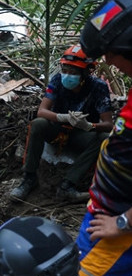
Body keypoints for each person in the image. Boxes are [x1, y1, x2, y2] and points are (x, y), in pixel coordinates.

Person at [76, 0, 132, 276]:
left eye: (112, 52)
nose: (109, 61)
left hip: (118, 225)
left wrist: (122, 223)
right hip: (106, 210)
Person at [10, 44, 113, 202]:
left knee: (104, 138)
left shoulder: (98, 87)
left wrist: (89, 126)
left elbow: (108, 124)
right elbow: (41, 111)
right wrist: (63, 117)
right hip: (57, 129)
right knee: (38, 124)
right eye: (65, 70)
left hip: (81, 134)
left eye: (73, 72)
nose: (67, 75)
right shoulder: (57, 80)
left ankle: (67, 185)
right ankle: (29, 178)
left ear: (86, 72)